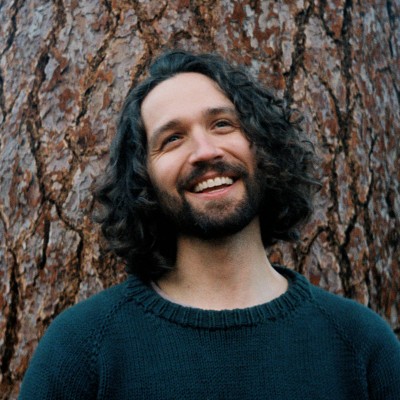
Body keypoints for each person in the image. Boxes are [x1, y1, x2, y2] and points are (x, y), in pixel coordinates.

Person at [19, 50, 400, 399]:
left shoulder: (361, 343)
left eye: (222, 124)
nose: (205, 151)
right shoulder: (81, 347)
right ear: (142, 179)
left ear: (263, 144)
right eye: (172, 139)